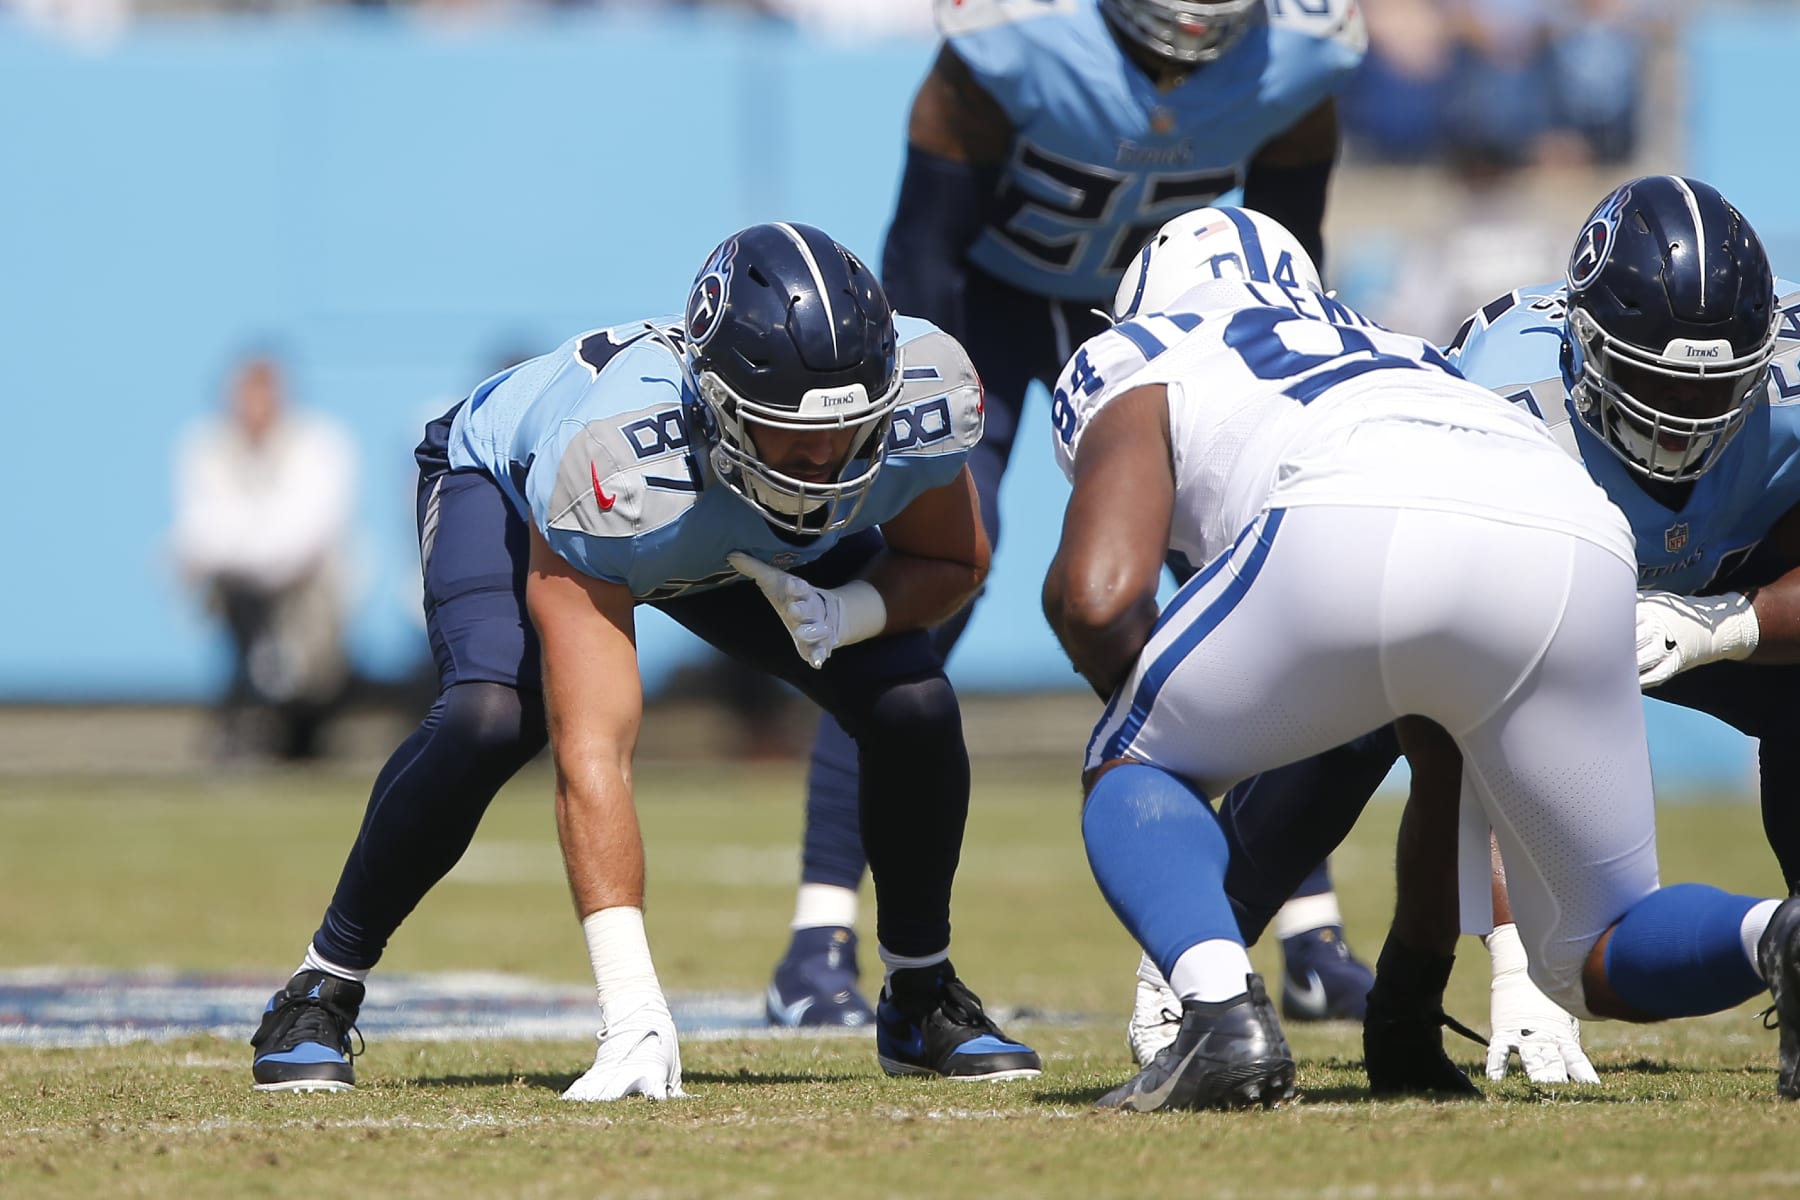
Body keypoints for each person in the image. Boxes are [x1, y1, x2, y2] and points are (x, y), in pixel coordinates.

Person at [247, 221, 1041, 1097]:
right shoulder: (614, 458)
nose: (823, 464)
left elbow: (953, 561)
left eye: (852, 431)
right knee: (492, 717)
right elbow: (594, 749)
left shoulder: (926, 393)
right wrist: (632, 1008)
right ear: (720, 404)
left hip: (711, 530)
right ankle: (319, 988)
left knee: (914, 699)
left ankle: (922, 996)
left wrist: (847, 611)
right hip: (523, 491)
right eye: (790, 434)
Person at [1037, 204, 1800, 1111]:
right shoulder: (1396, 344)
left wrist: (1164, 750)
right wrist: (1408, 992)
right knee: (1596, 947)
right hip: (1575, 539)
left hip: (1350, 512)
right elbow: (1439, 741)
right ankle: (1774, 934)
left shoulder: (1141, 348)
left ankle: (1214, 1005)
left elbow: (1094, 597)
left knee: (1132, 758)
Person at [769, 0, 1380, 1033]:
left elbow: (1288, 266)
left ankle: (1310, 935)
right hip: (990, 308)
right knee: (925, 583)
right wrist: (921, 400)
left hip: (1169, 332)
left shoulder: (1300, 58)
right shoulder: (1015, 39)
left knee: (1255, 586)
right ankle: (817, 939)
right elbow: (922, 247)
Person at [171, 353, 356, 762]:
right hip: (236, 590)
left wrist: (247, 548)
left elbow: (306, 535)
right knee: (238, 609)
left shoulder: (320, 444)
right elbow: (199, 530)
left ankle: (293, 719)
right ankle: (251, 709)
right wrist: (250, 550)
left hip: (308, 589)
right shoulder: (206, 446)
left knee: (309, 674)